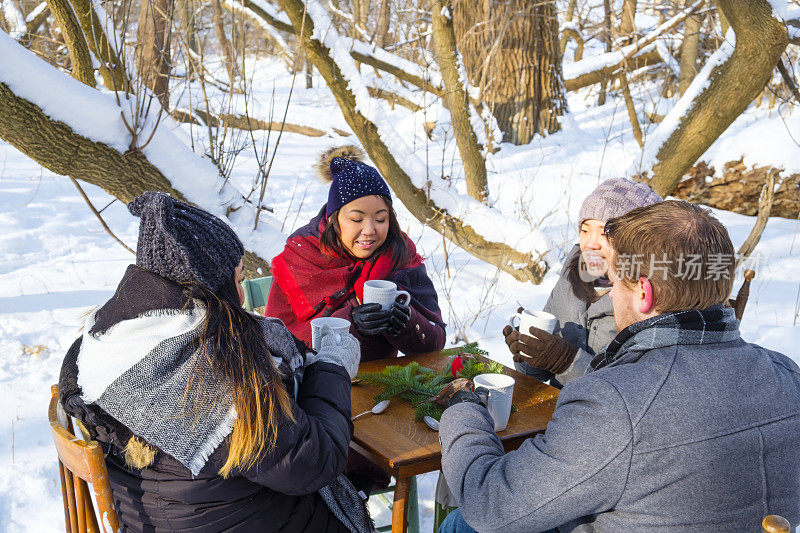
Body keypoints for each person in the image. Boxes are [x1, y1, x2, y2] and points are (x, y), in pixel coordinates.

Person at [438, 200, 800, 532]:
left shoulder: (615, 403)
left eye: (615, 283)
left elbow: (489, 501)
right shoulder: (787, 374)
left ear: (644, 293)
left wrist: (463, 410)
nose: (611, 295)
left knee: (460, 524)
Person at [59, 191, 371, 532]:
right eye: (237, 280)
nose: (242, 296)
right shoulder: (215, 378)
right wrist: (332, 365)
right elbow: (313, 463)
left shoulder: (100, 348)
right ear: (213, 290)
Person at [267, 145, 446, 362]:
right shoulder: (302, 257)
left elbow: (435, 343)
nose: (370, 230)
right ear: (333, 218)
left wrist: (407, 323)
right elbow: (278, 344)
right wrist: (350, 321)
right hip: (313, 387)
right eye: (356, 219)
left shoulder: (400, 255)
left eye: (380, 219)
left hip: (383, 383)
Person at [503, 178, 661, 387]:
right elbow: (539, 374)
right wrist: (529, 353)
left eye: (606, 232)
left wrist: (566, 362)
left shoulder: (648, 298)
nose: (591, 243)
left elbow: (637, 390)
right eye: (585, 230)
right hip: (559, 410)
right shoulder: (571, 277)